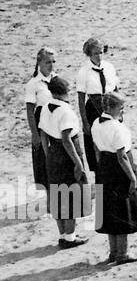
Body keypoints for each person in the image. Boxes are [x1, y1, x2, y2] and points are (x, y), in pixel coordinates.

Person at [89, 91, 137, 264]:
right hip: (119, 168)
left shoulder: (96, 124)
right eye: (121, 108)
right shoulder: (117, 127)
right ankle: (122, 253)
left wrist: (101, 169)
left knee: (109, 210)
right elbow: (122, 156)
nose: (123, 112)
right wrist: (132, 177)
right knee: (122, 210)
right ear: (112, 108)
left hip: (104, 167)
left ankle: (113, 252)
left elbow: (96, 149)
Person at [39, 76, 92, 248]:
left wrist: (49, 155)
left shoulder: (46, 107)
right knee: (71, 195)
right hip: (68, 154)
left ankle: (63, 235)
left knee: (57, 194)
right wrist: (78, 163)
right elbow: (67, 139)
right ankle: (70, 237)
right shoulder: (66, 111)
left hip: (53, 154)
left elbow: (43, 134)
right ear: (65, 92)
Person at [76, 37, 118, 175]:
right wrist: (85, 121)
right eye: (95, 53)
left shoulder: (110, 67)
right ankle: (99, 172)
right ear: (89, 54)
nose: (99, 56)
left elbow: (116, 89)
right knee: (95, 142)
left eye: (101, 52)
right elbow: (81, 99)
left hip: (110, 105)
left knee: (112, 137)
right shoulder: (84, 71)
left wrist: (119, 111)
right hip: (93, 108)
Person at [24, 48, 56, 193]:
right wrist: (35, 134)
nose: (51, 65)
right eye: (48, 62)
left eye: (53, 62)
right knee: (43, 160)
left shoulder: (56, 79)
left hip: (56, 120)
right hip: (41, 122)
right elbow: (30, 110)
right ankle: (49, 199)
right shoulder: (33, 83)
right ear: (39, 62)